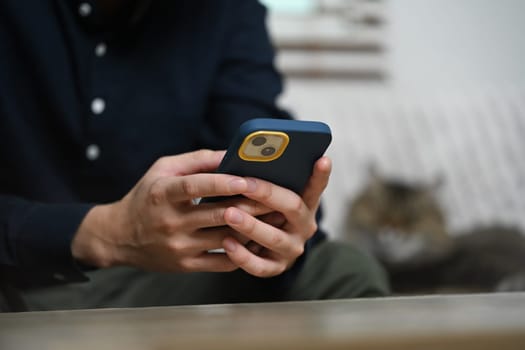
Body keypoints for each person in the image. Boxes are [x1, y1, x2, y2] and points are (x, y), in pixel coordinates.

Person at [0, 0, 389, 311]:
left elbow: (257, 134)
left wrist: (281, 228)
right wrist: (103, 233)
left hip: (164, 277)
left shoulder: (226, 11)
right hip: (19, 273)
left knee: (342, 268)